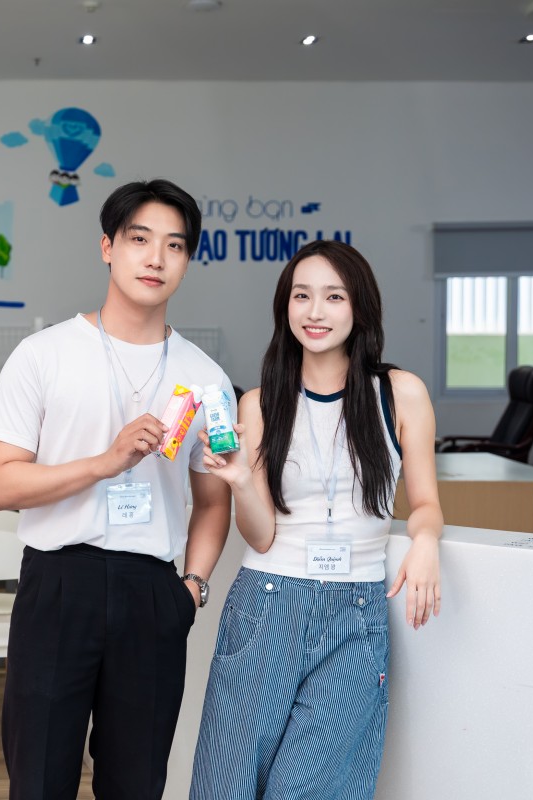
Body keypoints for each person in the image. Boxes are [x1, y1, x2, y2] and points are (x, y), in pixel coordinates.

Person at [0, 178, 234, 800]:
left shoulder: (206, 378)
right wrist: (104, 462)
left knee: (137, 782)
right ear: (107, 248)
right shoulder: (43, 355)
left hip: (154, 594)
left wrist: (192, 589)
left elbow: (214, 500)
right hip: (58, 583)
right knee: (39, 779)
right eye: (139, 239)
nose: (156, 258)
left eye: (175, 245)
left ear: (187, 260)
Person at [189, 239, 443, 800]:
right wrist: (238, 480)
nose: (315, 311)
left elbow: (425, 501)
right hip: (266, 604)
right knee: (228, 784)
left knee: (308, 788)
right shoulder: (259, 403)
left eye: (334, 296)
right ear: (285, 306)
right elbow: (260, 534)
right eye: (301, 296)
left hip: (356, 612)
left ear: (359, 307)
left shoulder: (400, 394)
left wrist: (425, 541)